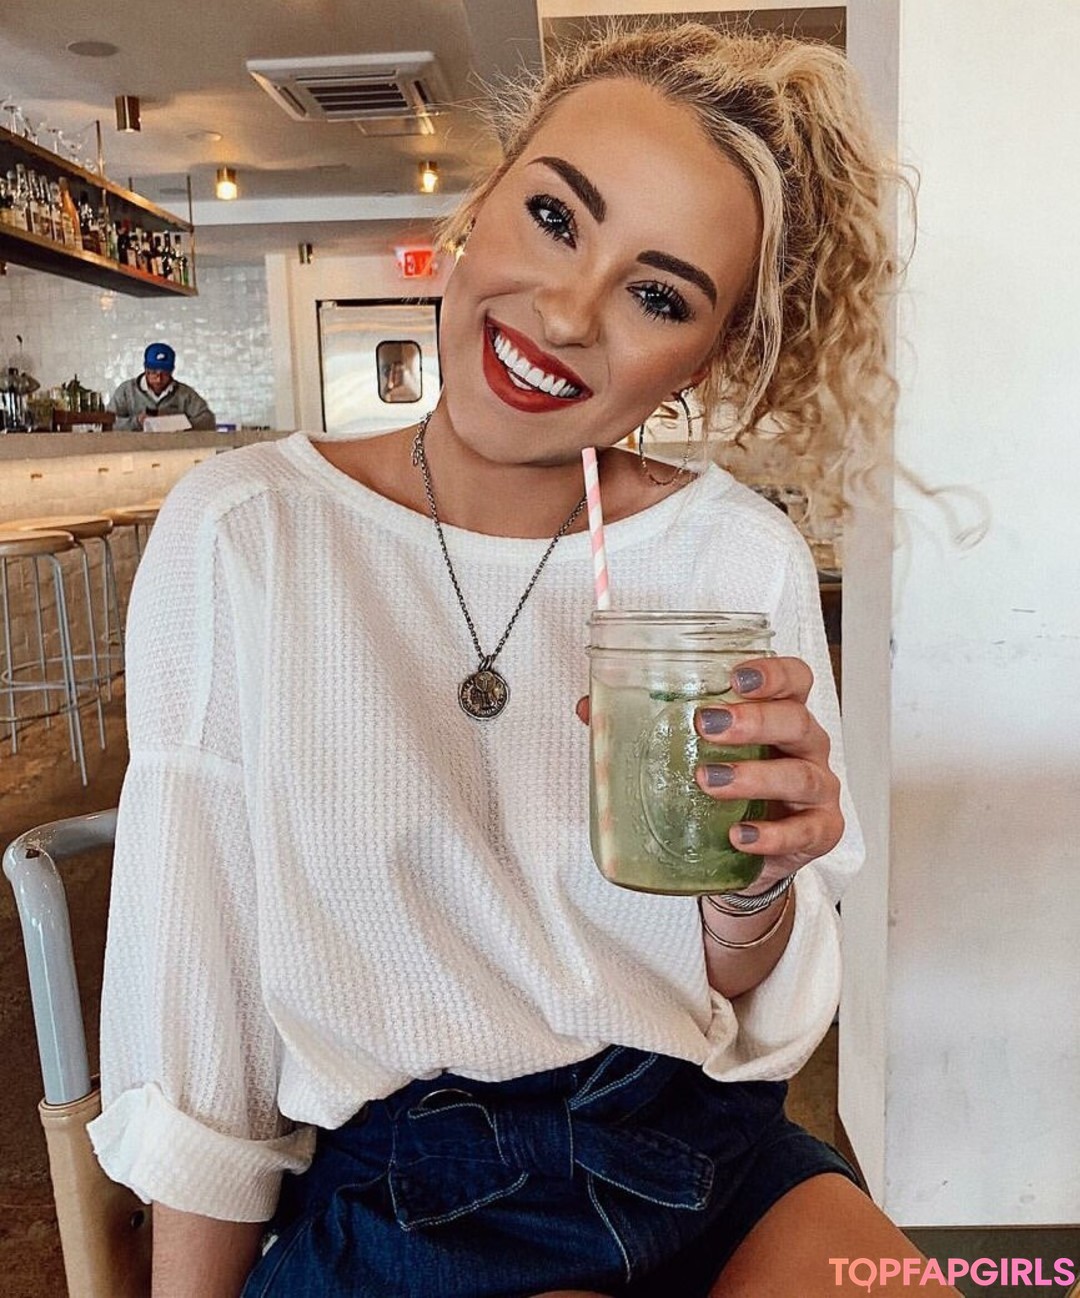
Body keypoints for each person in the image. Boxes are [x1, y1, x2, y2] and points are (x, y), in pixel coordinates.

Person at [88, 23, 957, 1298]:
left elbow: (747, 995)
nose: (565, 312)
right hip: (410, 1186)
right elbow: (198, 1011)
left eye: (659, 296)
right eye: (555, 218)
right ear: (480, 203)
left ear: (709, 356)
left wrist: (757, 885)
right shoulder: (246, 534)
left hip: (694, 1142)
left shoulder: (731, 559)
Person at [106, 341, 216, 430]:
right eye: (153, 372)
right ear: (145, 369)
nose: (158, 379)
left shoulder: (185, 394)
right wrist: (137, 421)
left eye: (164, 373)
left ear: (172, 371)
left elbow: (208, 421)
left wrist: (177, 423)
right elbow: (107, 423)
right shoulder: (126, 391)